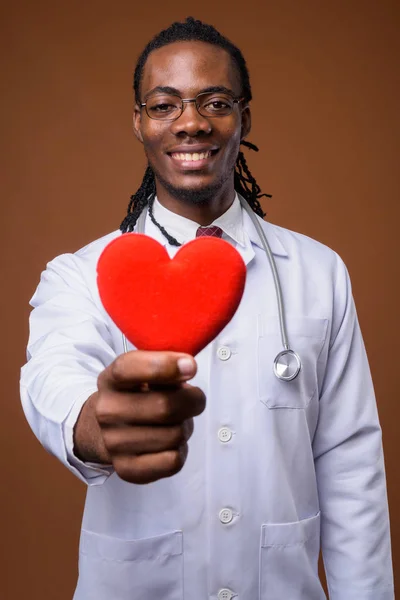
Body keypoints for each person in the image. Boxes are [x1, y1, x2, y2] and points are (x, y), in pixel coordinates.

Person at [20, 17, 394, 600]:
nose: (191, 123)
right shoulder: (82, 274)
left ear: (245, 118)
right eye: (165, 105)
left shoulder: (320, 272)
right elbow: (51, 376)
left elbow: (350, 464)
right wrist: (96, 423)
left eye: (215, 101)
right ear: (139, 122)